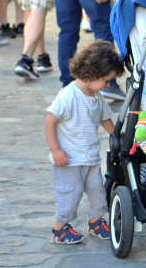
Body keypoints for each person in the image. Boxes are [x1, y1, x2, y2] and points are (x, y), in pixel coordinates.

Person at [45, 40, 123, 244]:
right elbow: (50, 122)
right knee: (69, 195)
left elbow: (105, 119)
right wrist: (55, 150)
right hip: (69, 160)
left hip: (90, 158)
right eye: (107, 80)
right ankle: (59, 229)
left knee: (98, 192)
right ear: (93, 73)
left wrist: (118, 137)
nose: (108, 85)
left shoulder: (96, 96)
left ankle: (96, 221)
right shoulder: (68, 96)